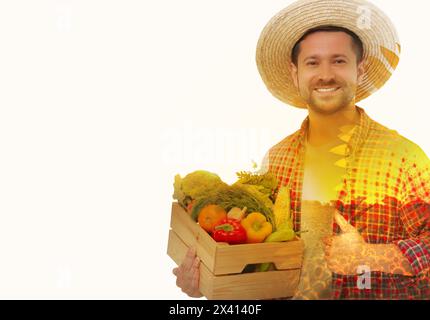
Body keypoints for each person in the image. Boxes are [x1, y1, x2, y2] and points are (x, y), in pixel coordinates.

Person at [173, 0, 430, 299]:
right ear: (295, 73)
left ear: (359, 70)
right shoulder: (276, 160)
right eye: (312, 62)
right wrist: (206, 280)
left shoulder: (403, 159)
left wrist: (370, 256)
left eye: (338, 61)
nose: (325, 74)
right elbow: (261, 260)